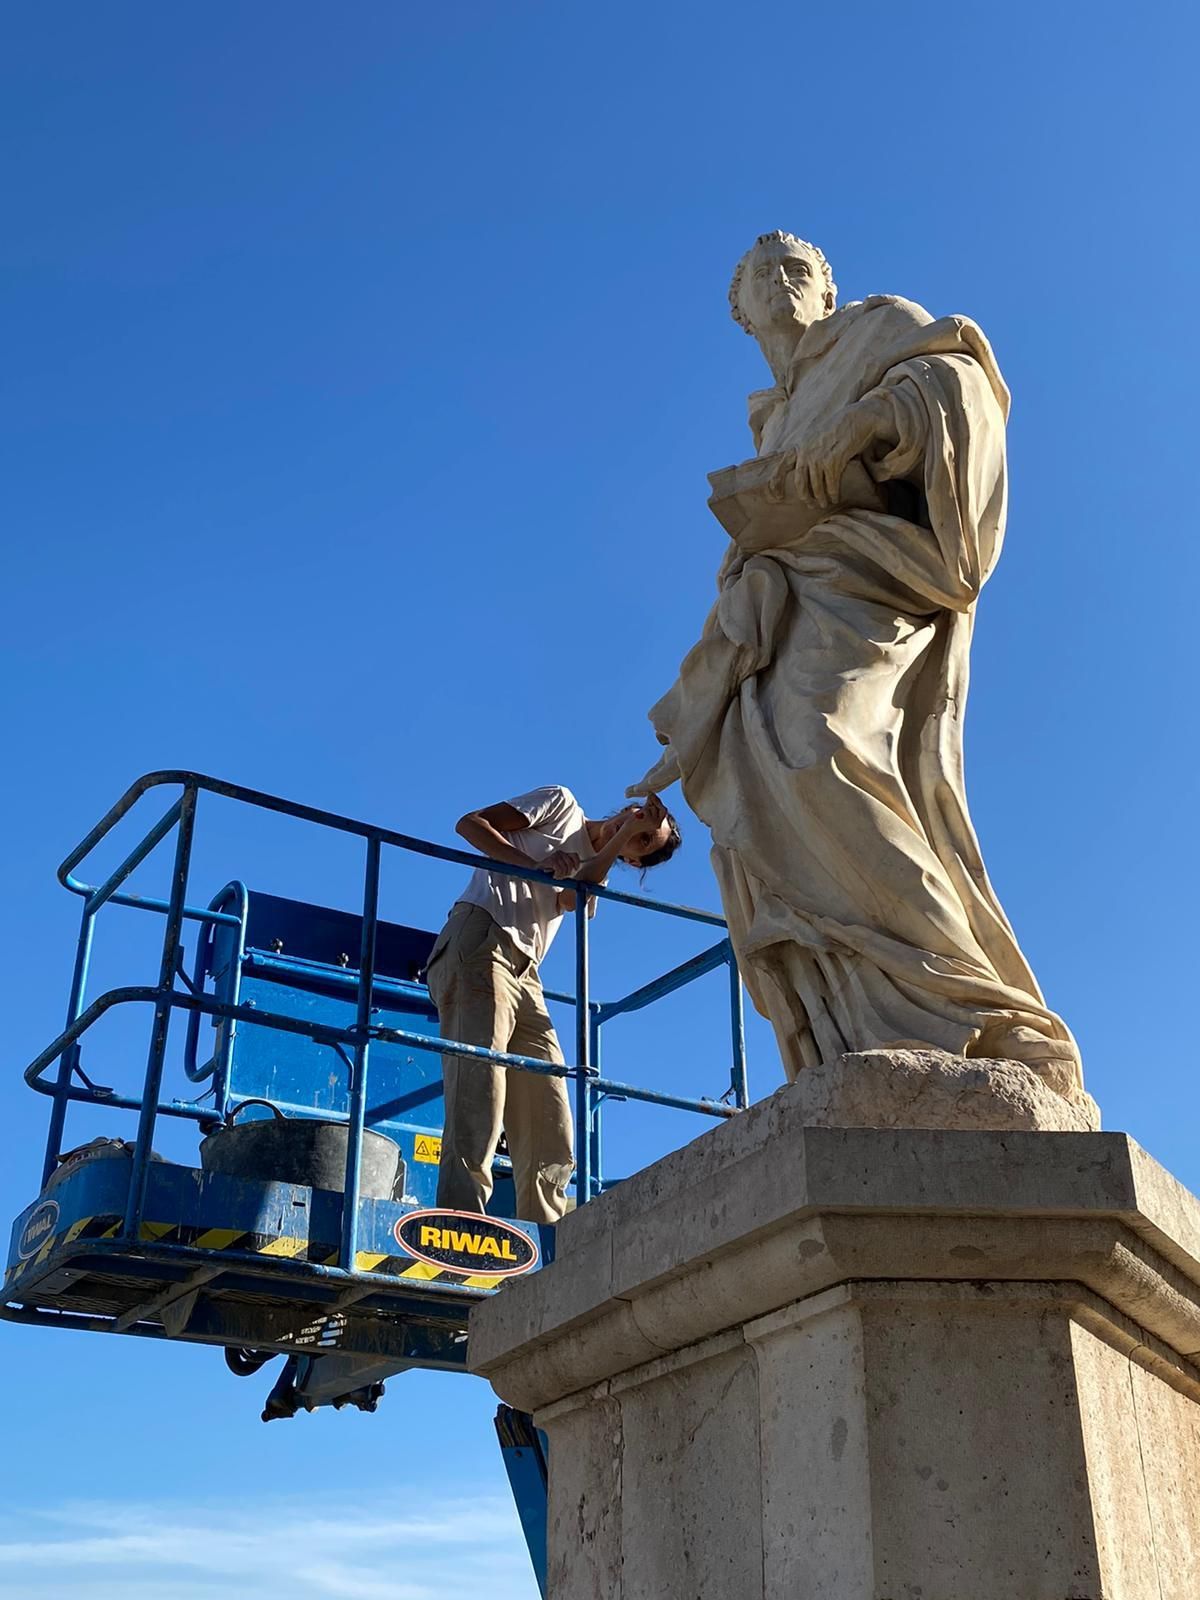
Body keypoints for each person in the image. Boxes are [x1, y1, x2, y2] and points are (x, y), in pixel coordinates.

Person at [629, 230, 1090, 1112]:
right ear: (742, 310)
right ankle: (859, 1026)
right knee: (758, 801)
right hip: (784, 600)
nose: (780, 283)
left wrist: (869, 418)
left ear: (829, 292)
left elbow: (963, 387)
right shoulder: (772, 411)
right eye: (762, 277)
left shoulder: (880, 331)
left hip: (868, 580)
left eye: (797, 270)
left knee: (826, 745)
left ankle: (966, 998)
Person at [425, 785, 681, 1223]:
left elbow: (572, 895)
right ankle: (459, 1226)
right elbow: (470, 823)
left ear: (633, 861)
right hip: (482, 936)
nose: (633, 828)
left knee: (551, 1112)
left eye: (641, 841)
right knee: (480, 1093)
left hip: (526, 973)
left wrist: (622, 837)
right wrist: (535, 864)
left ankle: (548, 1245)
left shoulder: (594, 873)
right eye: (638, 818)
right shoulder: (561, 803)